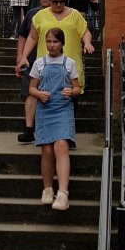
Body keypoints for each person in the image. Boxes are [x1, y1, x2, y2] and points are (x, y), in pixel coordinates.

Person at [20, 0, 93, 149]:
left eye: (62, 1)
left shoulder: (75, 15)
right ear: (49, 0)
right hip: (46, 64)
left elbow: (85, 32)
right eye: (55, 2)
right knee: (45, 98)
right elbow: (32, 37)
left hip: (69, 63)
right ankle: (45, 134)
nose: (59, 4)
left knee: (70, 99)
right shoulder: (40, 16)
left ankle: (68, 135)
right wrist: (24, 56)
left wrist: (87, 43)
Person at [30, 26, 79, 210]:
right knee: (47, 151)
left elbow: (77, 88)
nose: (51, 45)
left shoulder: (69, 63)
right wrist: (38, 94)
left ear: (62, 43)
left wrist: (71, 91)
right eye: (49, 41)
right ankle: (48, 189)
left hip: (63, 110)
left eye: (55, 41)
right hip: (45, 110)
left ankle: (63, 194)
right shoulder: (39, 63)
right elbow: (31, 88)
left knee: (61, 146)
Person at [15, 0, 53, 143]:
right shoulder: (31, 14)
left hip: (51, 60)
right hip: (31, 60)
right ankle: (29, 129)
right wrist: (19, 57)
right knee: (29, 93)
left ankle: (49, 129)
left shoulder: (59, 14)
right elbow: (23, 36)